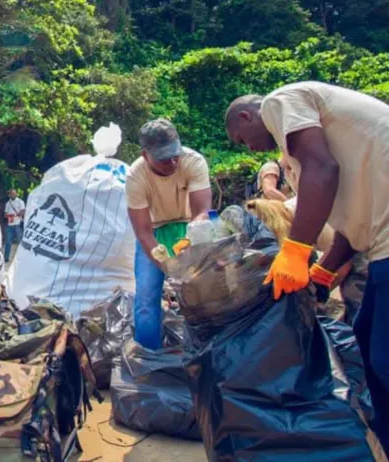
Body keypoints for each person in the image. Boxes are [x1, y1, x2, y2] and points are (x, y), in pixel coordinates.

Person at [226, 81, 389, 452]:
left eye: (241, 138)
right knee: (364, 337)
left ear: (249, 117)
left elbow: (323, 169)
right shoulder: (303, 157)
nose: (248, 148)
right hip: (379, 245)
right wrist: (323, 272)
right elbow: (349, 228)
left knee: (384, 359)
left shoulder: (281, 103)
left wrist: (297, 251)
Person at [126, 119, 212, 350]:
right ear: (145, 155)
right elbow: (143, 232)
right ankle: (148, 357)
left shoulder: (193, 162)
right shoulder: (136, 176)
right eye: (164, 158)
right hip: (153, 232)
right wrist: (166, 264)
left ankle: (204, 353)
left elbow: (202, 213)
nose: (172, 162)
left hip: (189, 227)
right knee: (146, 298)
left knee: (203, 294)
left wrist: (189, 244)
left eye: (175, 154)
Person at [4, 189, 26, 262]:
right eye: (12, 194)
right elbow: (5, 214)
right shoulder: (8, 203)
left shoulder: (20, 201)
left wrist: (16, 215)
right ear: (9, 195)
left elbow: (23, 211)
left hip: (17, 224)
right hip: (10, 224)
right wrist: (9, 216)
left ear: (16, 194)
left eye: (14, 193)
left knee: (20, 241)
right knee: (8, 242)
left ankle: (23, 258)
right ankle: (6, 258)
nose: (13, 195)